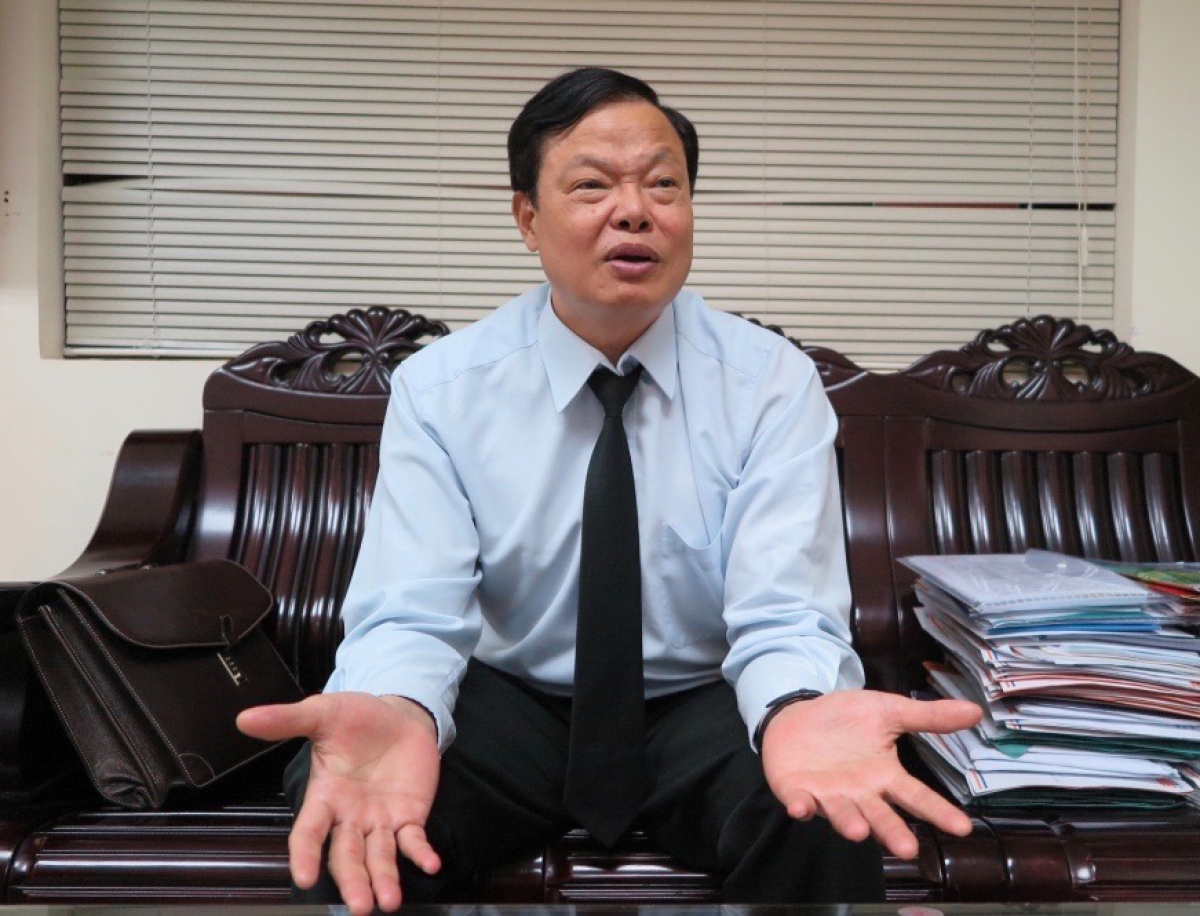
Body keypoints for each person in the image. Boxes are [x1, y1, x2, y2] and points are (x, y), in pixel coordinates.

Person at [237, 67, 981, 915]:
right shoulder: (443, 388)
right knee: (365, 800)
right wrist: (398, 705)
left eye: (664, 185)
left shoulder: (770, 383)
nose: (634, 211)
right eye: (592, 186)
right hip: (512, 703)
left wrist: (797, 707)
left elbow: (783, 612)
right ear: (527, 217)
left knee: (817, 807)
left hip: (700, 701)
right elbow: (414, 611)